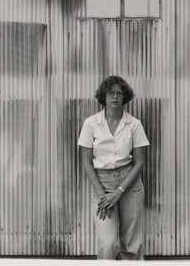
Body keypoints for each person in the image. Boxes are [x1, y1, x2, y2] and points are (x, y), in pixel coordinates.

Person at [77, 75, 150, 260]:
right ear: (104, 96)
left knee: (131, 244)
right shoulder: (91, 123)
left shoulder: (134, 124)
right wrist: (103, 195)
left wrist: (119, 191)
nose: (115, 96)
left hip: (130, 184)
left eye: (119, 93)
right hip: (102, 183)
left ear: (125, 97)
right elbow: (86, 162)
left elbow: (139, 162)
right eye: (111, 93)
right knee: (107, 242)